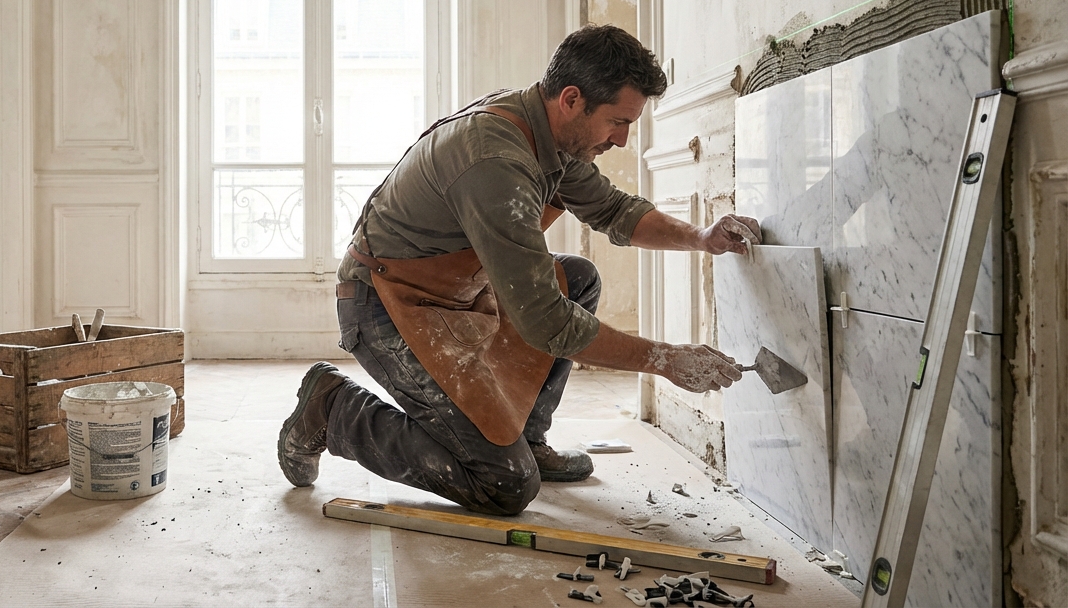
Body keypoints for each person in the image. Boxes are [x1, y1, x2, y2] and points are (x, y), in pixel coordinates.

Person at [276, 25, 760, 516]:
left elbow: (614, 210)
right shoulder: (495, 159)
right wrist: (664, 359)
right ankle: (334, 410)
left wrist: (702, 238)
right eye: (617, 122)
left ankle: (527, 439)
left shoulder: (550, 135)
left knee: (578, 279)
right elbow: (545, 321)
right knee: (503, 484)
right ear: (572, 99)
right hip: (385, 301)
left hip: (460, 290)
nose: (621, 139)